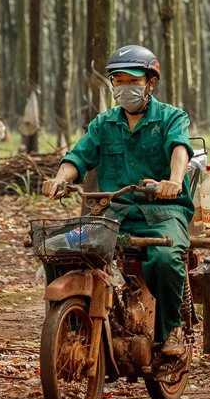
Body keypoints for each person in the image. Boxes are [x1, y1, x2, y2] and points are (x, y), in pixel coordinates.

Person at [41, 45, 194, 357]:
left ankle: (172, 331)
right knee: (59, 246)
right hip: (114, 214)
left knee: (166, 259)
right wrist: (61, 178)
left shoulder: (171, 118)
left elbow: (180, 149)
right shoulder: (104, 124)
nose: (124, 88)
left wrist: (174, 182)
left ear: (151, 82)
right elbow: (78, 156)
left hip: (163, 212)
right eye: (118, 80)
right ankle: (73, 326)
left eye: (133, 80)